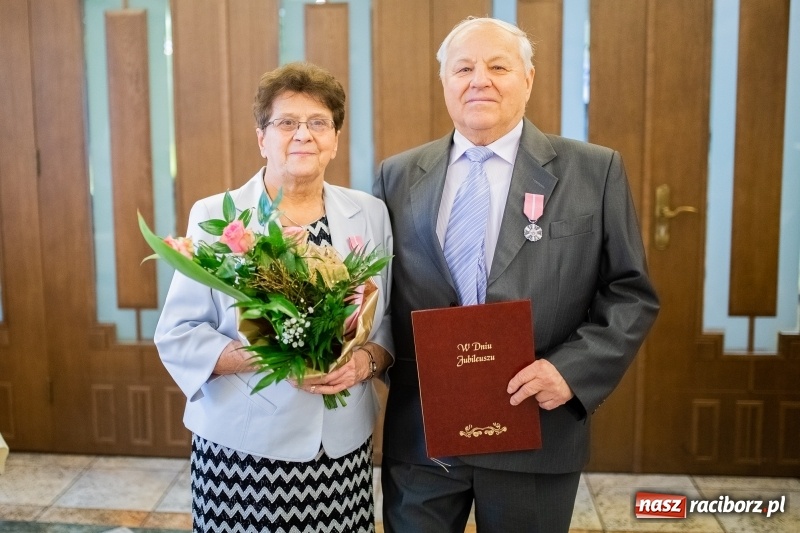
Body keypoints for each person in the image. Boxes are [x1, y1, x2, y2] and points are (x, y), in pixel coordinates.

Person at [373, 17, 659, 532]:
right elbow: (380, 293)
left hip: (536, 429)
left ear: (527, 79)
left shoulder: (593, 171)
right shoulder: (397, 175)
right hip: (424, 434)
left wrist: (571, 371)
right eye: (463, 68)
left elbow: (630, 293)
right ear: (445, 83)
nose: (478, 79)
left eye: (497, 66)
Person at [155, 62, 393, 533]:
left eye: (318, 122)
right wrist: (266, 356)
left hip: (340, 450)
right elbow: (178, 334)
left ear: (335, 139)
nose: (303, 134)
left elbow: (385, 318)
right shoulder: (219, 218)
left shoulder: (370, 213)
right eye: (286, 122)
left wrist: (365, 361)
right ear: (262, 137)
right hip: (242, 451)